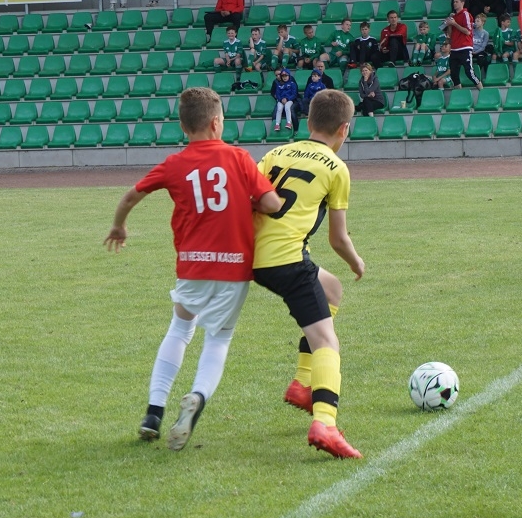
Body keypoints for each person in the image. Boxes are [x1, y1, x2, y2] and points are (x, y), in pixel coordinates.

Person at [103, 87, 281, 451]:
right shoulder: (238, 158)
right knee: (218, 339)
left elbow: (130, 196)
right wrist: (251, 202)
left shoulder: (175, 163)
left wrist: (119, 226)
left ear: (184, 127)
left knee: (180, 329)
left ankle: (154, 411)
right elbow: (271, 204)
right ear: (216, 122)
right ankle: (197, 396)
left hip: (193, 266)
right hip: (234, 267)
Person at [253, 89, 365, 459]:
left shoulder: (276, 153)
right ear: (344, 129)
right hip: (286, 262)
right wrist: (356, 262)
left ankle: (303, 384)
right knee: (327, 342)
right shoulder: (336, 167)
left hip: (255, 255)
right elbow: (338, 238)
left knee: (331, 289)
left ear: (308, 121)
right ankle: (325, 424)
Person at [445, 0, 484, 90]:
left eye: (456, 2)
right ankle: (460, 95)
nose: (454, 4)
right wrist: (449, 25)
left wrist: (454, 23)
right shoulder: (454, 17)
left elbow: (467, 31)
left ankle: (483, 91)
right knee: (454, 74)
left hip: (464, 47)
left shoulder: (465, 14)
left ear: (462, 3)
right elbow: (450, 34)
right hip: (454, 48)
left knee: (469, 72)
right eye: (454, 2)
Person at [272, 67, 298, 131]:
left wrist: (287, 99)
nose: (278, 76)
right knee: (277, 110)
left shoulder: (292, 82)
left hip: (291, 100)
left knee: (290, 109)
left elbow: (295, 93)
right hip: (281, 100)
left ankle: (294, 127)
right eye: (276, 75)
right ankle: (277, 125)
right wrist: (280, 99)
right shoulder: (277, 83)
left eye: (279, 74)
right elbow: (275, 93)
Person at [471, 13, 491, 77]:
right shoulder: (472, 31)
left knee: (481, 58)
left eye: (478, 21)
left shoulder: (486, 33)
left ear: (482, 22)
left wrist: (476, 52)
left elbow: (483, 47)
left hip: (479, 51)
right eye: (475, 21)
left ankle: (478, 75)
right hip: (471, 50)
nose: (476, 23)